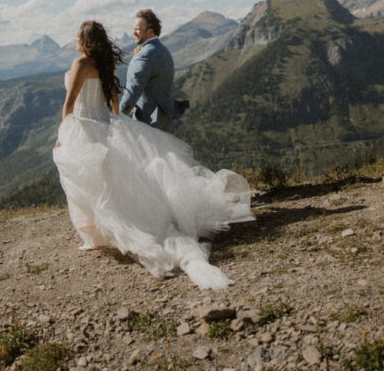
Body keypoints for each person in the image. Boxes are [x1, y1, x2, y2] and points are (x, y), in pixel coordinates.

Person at [53, 19, 254, 290]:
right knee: (110, 182)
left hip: (85, 127)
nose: (75, 39)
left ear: (86, 40)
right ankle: (103, 232)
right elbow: (113, 101)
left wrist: (62, 133)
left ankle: (97, 235)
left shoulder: (80, 64)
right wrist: (115, 121)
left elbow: (70, 102)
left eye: (78, 35)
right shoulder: (103, 64)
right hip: (104, 125)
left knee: (88, 182)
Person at [119, 8, 187, 131]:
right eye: (133, 29)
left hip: (148, 119)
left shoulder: (145, 54)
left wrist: (119, 115)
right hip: (164, 116)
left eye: (137, 30)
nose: (133, 33)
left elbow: (133, 89)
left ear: (150, 32)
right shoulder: (164, 50)